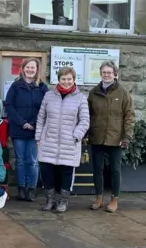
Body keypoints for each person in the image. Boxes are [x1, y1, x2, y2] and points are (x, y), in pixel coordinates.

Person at [35, 67, 90, 212]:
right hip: (48, 141)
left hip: (69, 143)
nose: (66, 82)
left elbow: (84, 121)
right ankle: (49, 200)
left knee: (66, 173)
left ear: (74, 80)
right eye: (63, 79)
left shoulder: (81, 98)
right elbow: (41, 118)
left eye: (69, 79)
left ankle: (63, 201)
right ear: (58, 80)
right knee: (47, 172)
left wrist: (75, 136)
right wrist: (38, 137)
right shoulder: (48, 96)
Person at [88, 60, 135, 213]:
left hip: (116, 138)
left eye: (109, 72)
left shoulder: (123, 92)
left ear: (115, 74)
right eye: (104, 72)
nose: (106, 74)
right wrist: (85, 133)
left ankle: (114, 199)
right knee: (97, 170)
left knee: (115, 170)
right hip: (97, 136)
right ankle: (99, 197)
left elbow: (129, 115)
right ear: (101, 73)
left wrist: (127, 136)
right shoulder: (93, 92)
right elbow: (87, 115)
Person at [5, 58, 49, 201]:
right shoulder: (15, 86)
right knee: (20, 161)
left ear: (37, 70)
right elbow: (9, 106)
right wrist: (23, 123)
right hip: (19, 129)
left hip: (35, 130)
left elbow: (46, 108)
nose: (30, 70)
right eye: (28, 67)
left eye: (33, 68)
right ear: (23, 69)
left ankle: (31, 189)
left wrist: (34, 123)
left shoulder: (42, 87)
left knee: (33, 161)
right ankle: (21, 188)